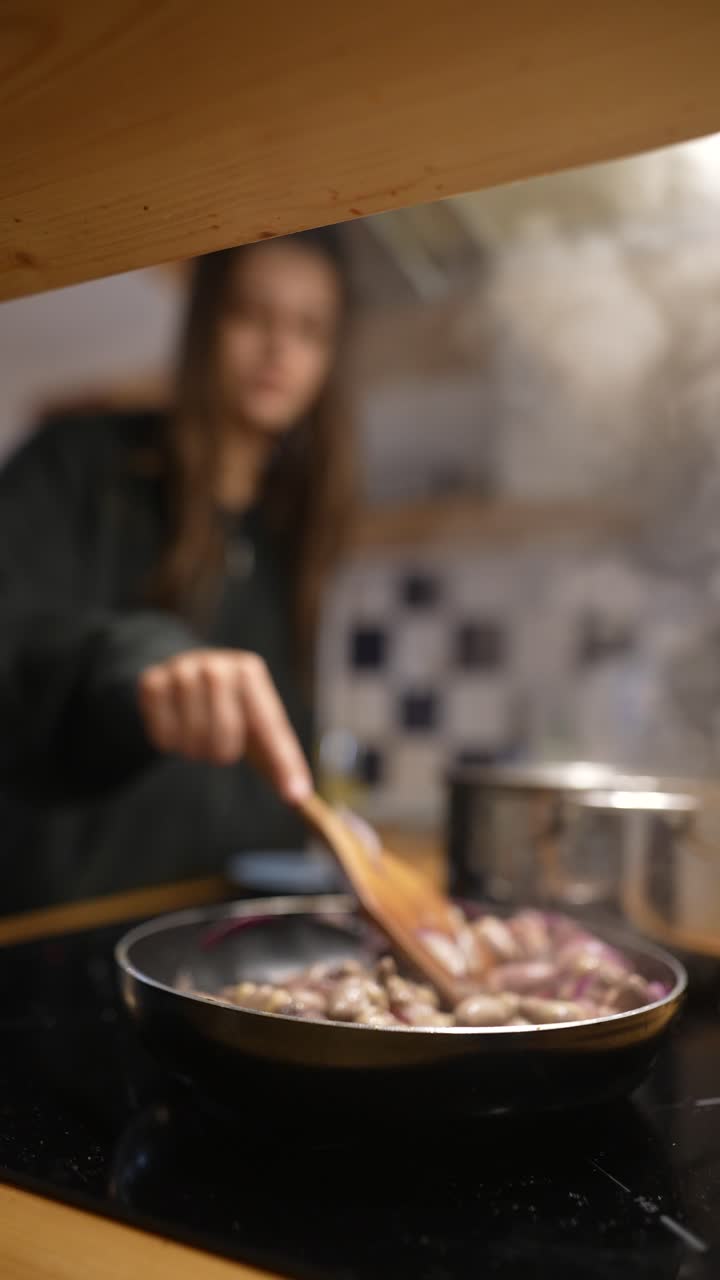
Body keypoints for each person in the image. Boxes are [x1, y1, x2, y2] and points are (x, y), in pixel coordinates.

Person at [0, 229, 354, 911]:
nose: (279, 349)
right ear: (204, 323)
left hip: (226, 941)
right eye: (252, 315)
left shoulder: (289, 528)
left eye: (310, 329)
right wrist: (145, 665)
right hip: (62, 928)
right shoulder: (75, 465)